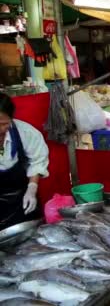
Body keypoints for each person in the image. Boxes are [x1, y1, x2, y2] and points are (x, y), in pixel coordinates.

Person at [0, 93, 48, 231]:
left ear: (11, 118)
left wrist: (32, 189)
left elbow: (37, 161)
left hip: (22, 202)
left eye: (3, 124)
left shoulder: (26, 133)